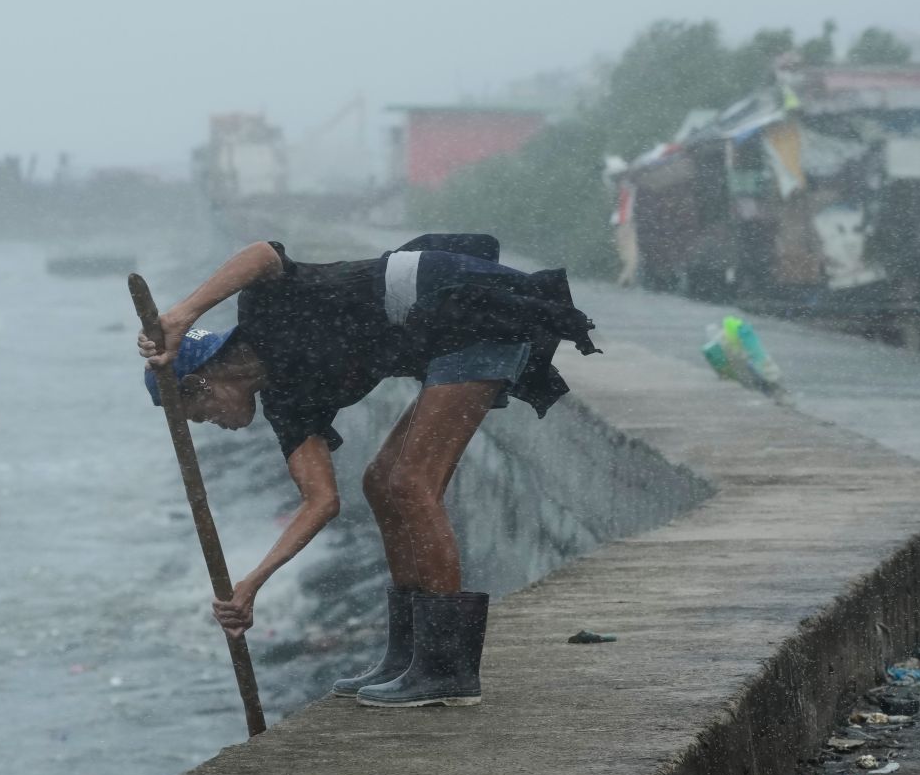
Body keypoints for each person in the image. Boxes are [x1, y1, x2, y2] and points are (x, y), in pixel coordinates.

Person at [137, 234, 599, 707]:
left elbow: (262, 253)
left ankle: (447, 671)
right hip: (446, 339)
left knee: (410, 483)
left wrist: (181, 315)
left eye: (201, 414)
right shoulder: (288, 404)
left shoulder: (265, 311)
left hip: (473, 309)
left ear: (199, 383)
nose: (212, 424)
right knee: (379, 482)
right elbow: (321, 502)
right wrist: (252, 583)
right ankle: (407, 656)